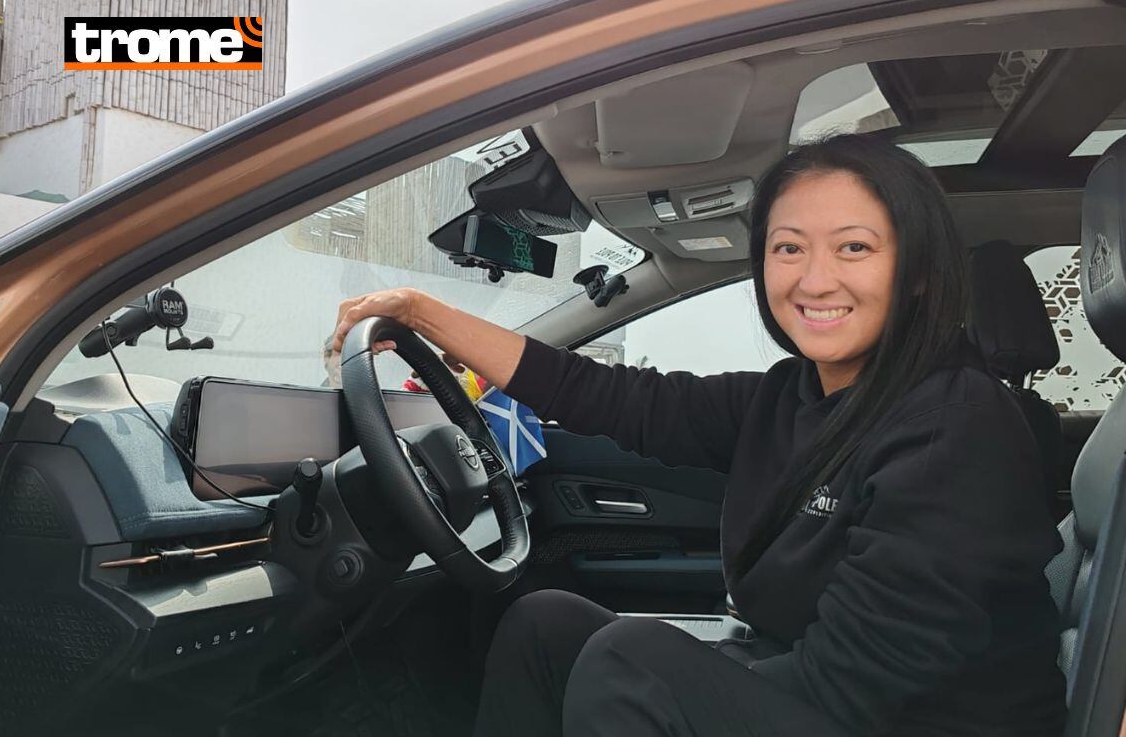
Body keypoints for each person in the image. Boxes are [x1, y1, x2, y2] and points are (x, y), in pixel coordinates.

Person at [330, 134, 1067, 736]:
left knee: (632, 661)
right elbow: (615, 399)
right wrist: (423, 314)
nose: (813, 281)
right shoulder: (795, 397)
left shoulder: (957, 424)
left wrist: (679, 688)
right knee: (547, 624)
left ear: (916, 275)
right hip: (834, 695)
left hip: (908, 721)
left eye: (853, 249)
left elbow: (854, 692)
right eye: (788, 249)